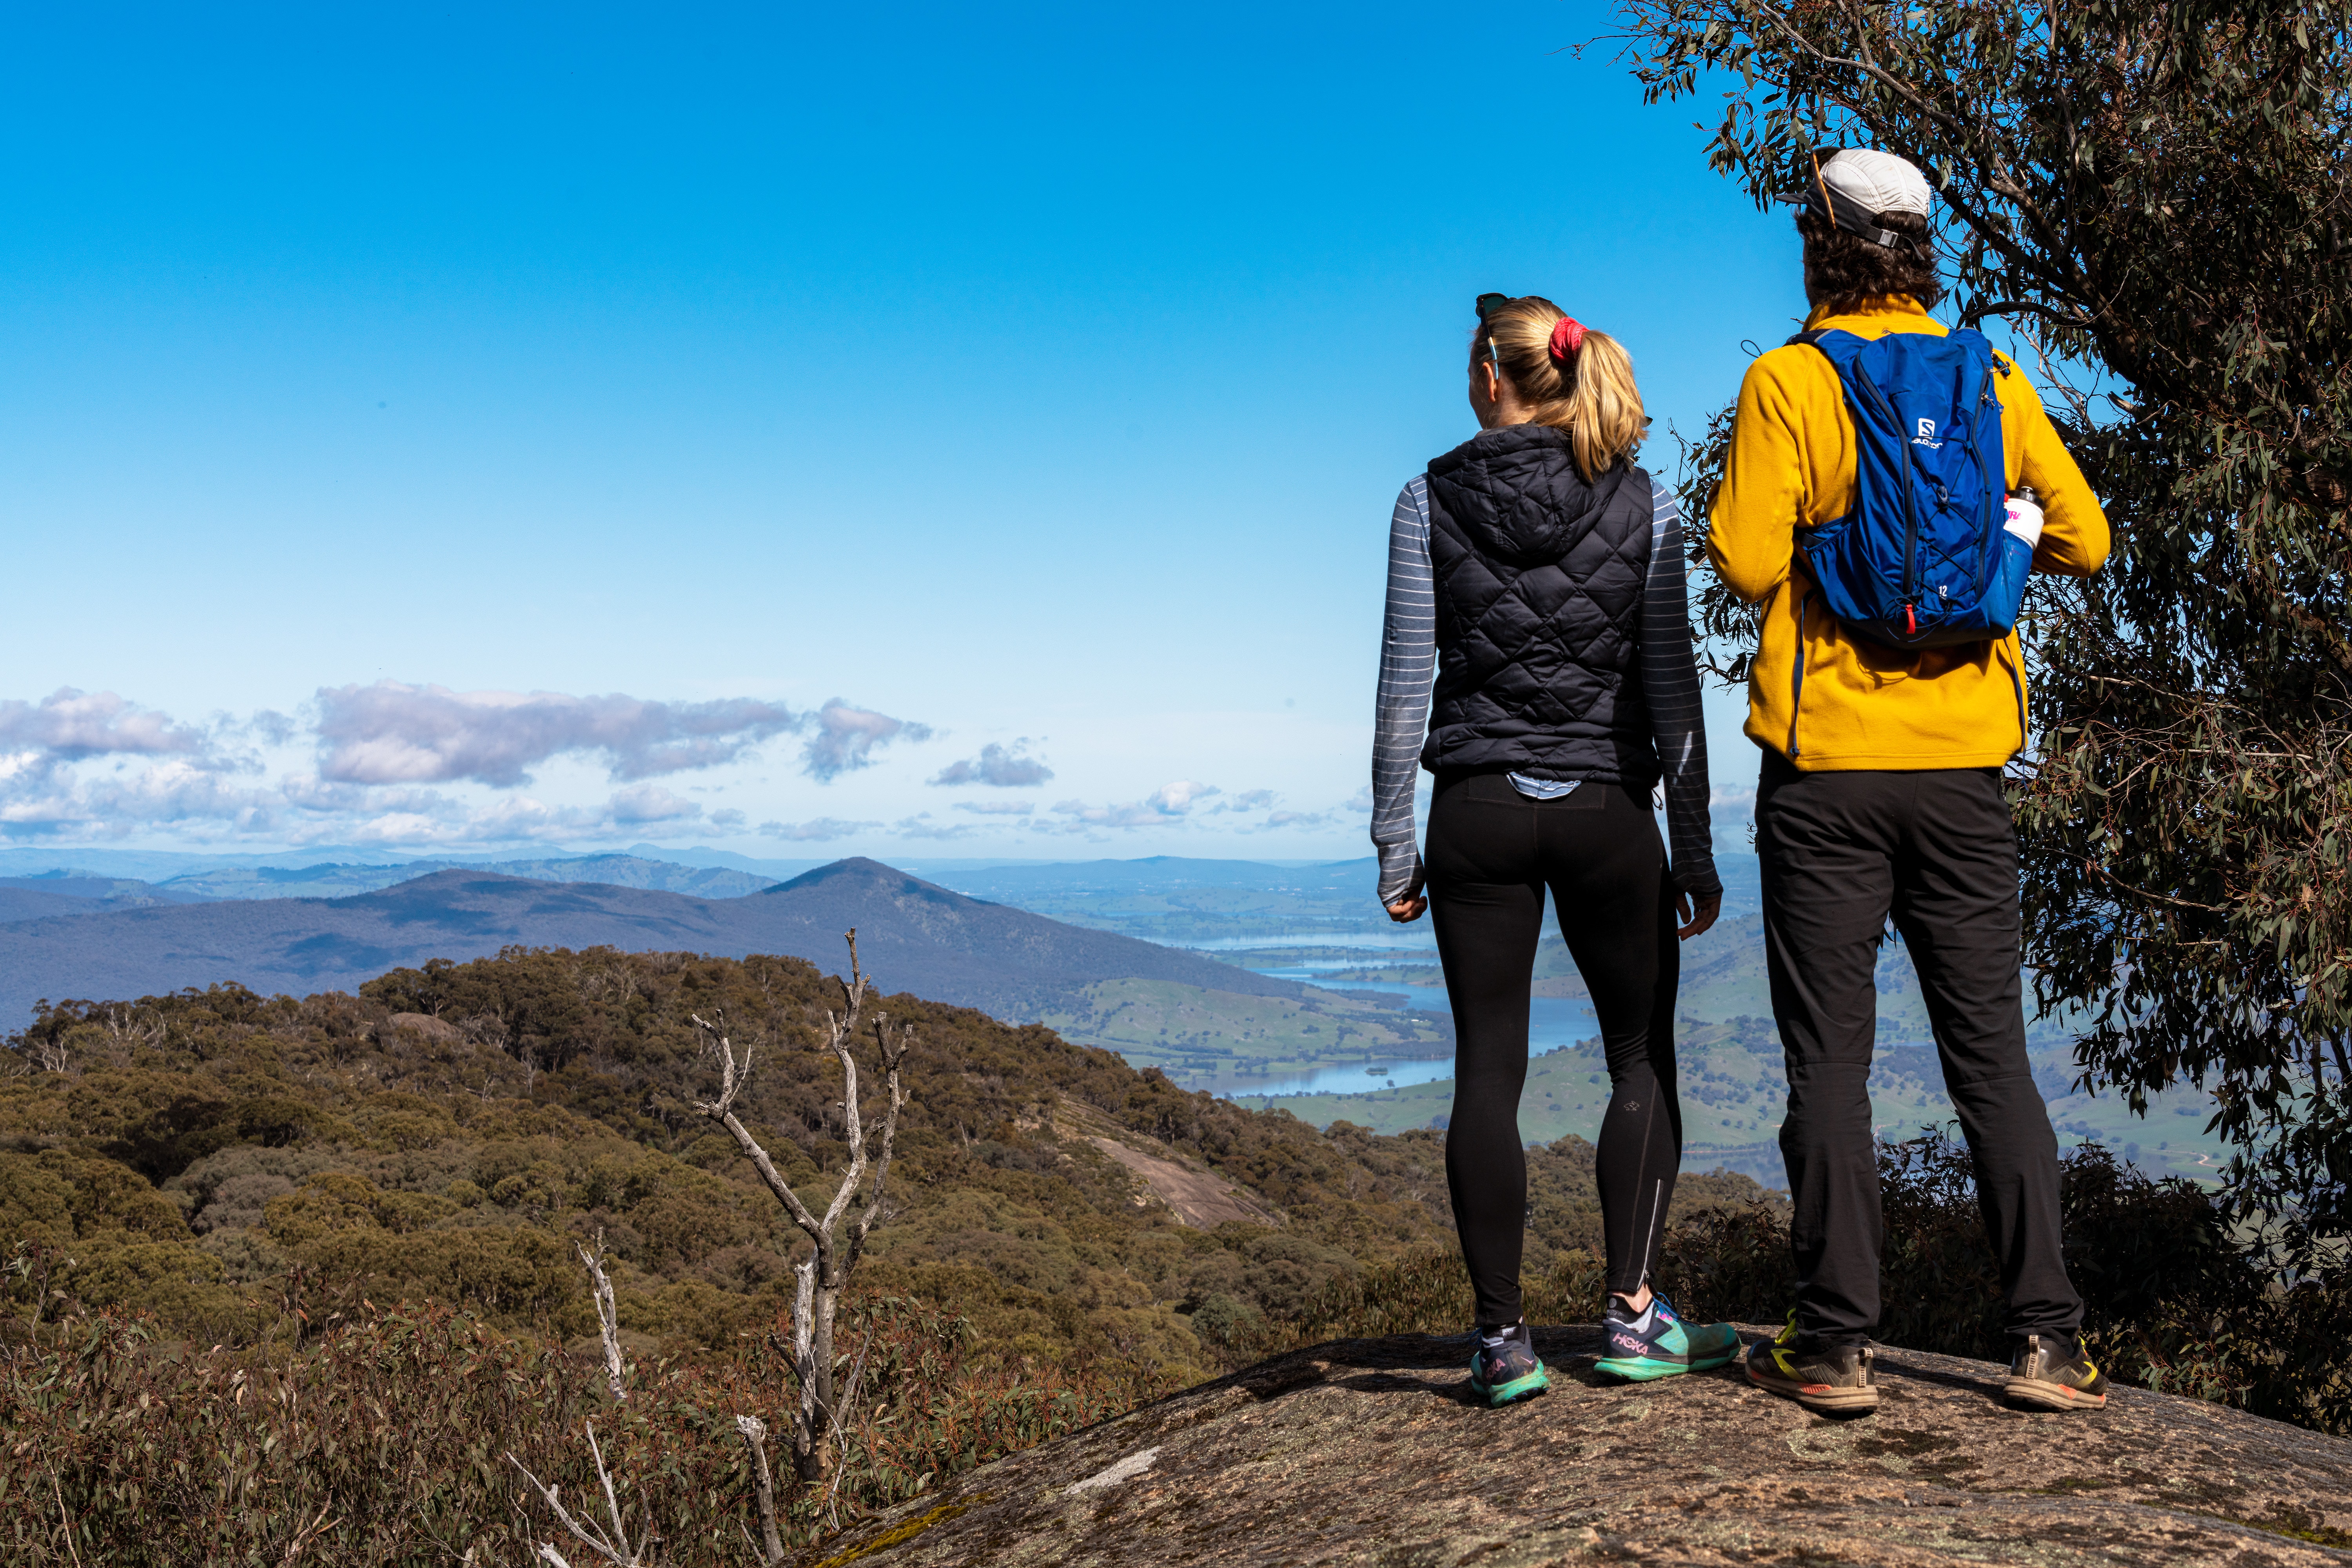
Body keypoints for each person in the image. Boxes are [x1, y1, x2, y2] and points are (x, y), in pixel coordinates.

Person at [1708, 149, 2112, 1415]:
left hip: (1826, 768)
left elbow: (1739, 559)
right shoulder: (1990, 373)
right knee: (1992, 1057)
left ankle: (1833, 1347)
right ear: (1922, 247)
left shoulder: (1787, 379)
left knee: (1829, 1061)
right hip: (1961, 776)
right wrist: (1996, 547)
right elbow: (2088, 536)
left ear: (1821, 243)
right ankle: (2048, 1341)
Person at [1371, 293, 1735, 1406]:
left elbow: (1402, 686)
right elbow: (1672, 691)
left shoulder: (1424, 495)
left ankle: (1502, 1343)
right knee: (1639, 1058)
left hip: (1476, 807)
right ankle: (1633, 1317)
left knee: (1489, 1069)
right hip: (1608, 813)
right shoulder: (1646, 504)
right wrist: (1697, 845)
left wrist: (1395, 839)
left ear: (1493, 375)